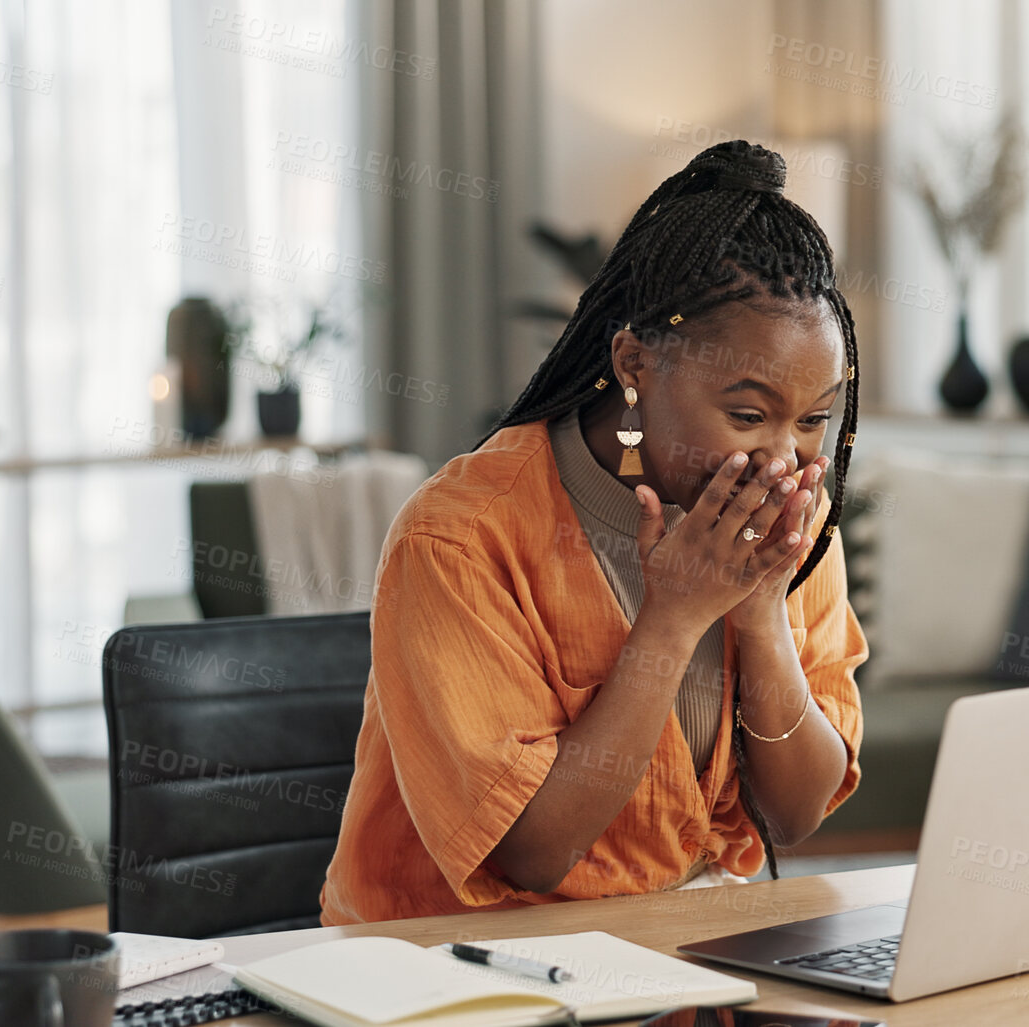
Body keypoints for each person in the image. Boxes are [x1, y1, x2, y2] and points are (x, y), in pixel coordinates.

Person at [320, 140, 867, 923]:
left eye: (813, 420)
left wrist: (758, 610)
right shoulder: (458, 537)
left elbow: (795, 815)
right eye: (748, 415)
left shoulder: (789, 521)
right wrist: (673, 619)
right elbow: (532, 854)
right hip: (456, 969)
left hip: (678, 955)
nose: (783, 458)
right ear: (635, 363)